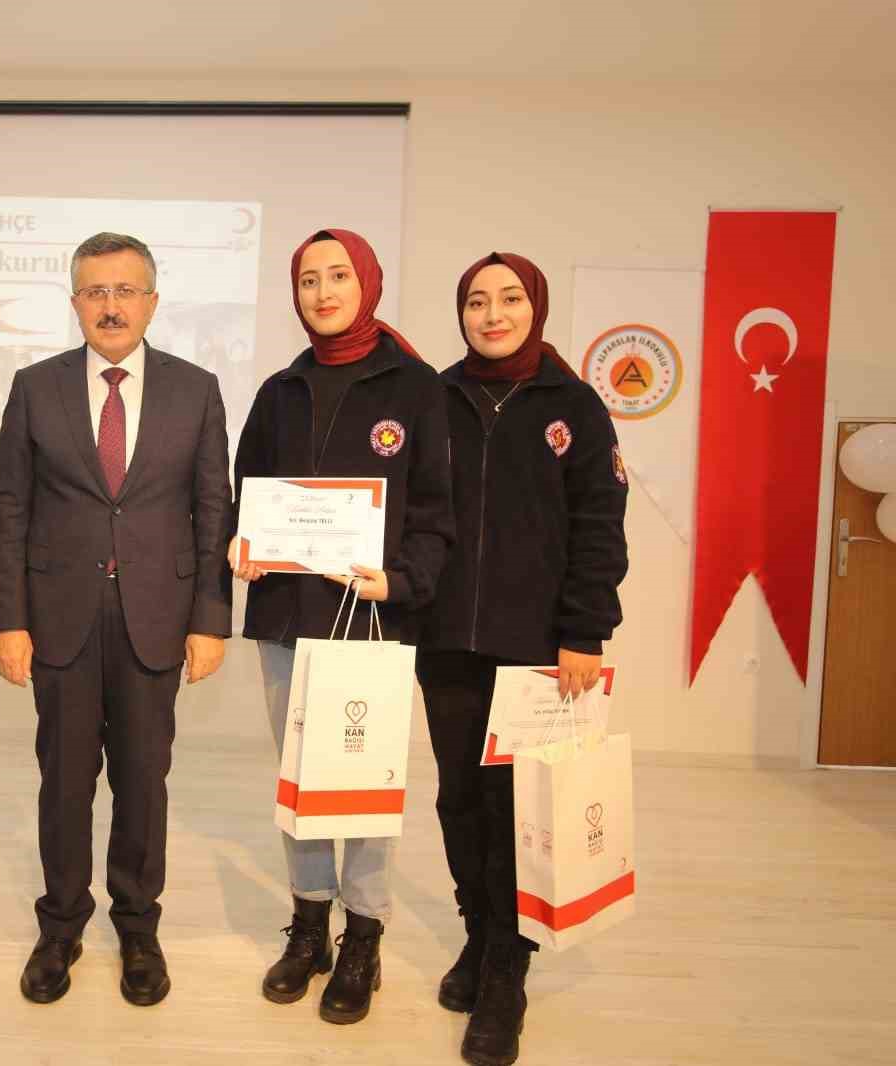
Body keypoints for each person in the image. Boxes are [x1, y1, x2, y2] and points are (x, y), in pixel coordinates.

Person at [0, 232, 233, 1007]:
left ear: (153, 303)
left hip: (156, 621)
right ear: (75, 304)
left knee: (142, 784)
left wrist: (211, 619)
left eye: (126, 290)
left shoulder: (197, 389)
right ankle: (60, 924)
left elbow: (210, 509)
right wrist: (8, 620)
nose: (111, 305)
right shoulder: (35, 386)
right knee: (63, 784)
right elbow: (11, 508)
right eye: (95, 291)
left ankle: (137, 927)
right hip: (59, 620)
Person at [230, 228, 454, 1024]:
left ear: (368, 283)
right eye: (308, 280)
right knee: (298, 780)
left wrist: (400, 582)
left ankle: (364, 935)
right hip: (288, 618)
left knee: (360, 787)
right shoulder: (278, 391)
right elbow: (247, 493)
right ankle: (309, 926)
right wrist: (242, 542)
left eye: (338, 277)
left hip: (372, 623)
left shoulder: (416, 388)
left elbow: (436, 515)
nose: (323, 293)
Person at [416, 252, 628, 1066]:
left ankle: (509, 964)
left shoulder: (574, 405)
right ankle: (479, 934)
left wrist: (584, 631)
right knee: (459, 799)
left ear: (534, 307)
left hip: (539, 651)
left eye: (508, 299)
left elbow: (600, 525)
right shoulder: (435, 396)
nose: (492, 313)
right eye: (476, 300)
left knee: (517, 808)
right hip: (446, 643)